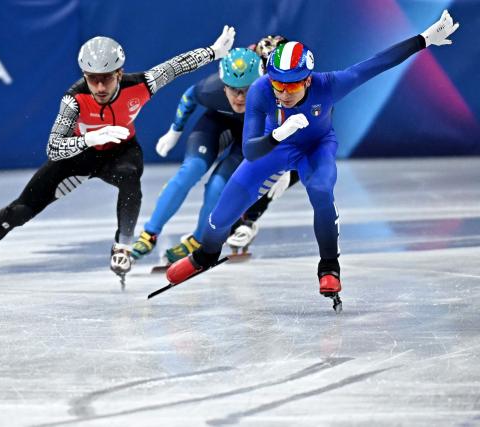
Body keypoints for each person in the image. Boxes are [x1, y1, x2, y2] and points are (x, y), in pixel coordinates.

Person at [167, 10, 460, 310]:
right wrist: (278, 136)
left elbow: (376, 64)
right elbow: (252, 151)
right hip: (273, 146)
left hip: (315, 146)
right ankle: (205, 254)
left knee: (321, 190)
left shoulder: (329, 84)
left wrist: (424, 40)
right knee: (219, 218)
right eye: (278, 84)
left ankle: (329, 267)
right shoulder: (260, 90)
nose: (283, 93)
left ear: (307, 81)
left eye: (292, 85)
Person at [0, 26, 236, 286]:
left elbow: (173, 67)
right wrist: (89, 138)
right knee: (21, 209)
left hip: (121, 153)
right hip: (79, 155)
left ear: (120, 73)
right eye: (92, 78)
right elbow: (53, 147)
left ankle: (123, 246)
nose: (99, 86)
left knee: (131, 178)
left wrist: (213, 52)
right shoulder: (74, 99)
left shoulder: (140, 85)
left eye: (107, 78)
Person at [132, 37, 299, 264]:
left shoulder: (278, 94)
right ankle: (149, 233)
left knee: (219, 186)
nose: (240, 98)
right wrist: (175, 131)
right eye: (233, 90)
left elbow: (300, 127)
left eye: (246, 90)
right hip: (217, 124)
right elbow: (190, 96)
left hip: (250, 136)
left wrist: (288, 166)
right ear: (223, 84)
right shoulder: (211, 89)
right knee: (190, 170)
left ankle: (200, 239)